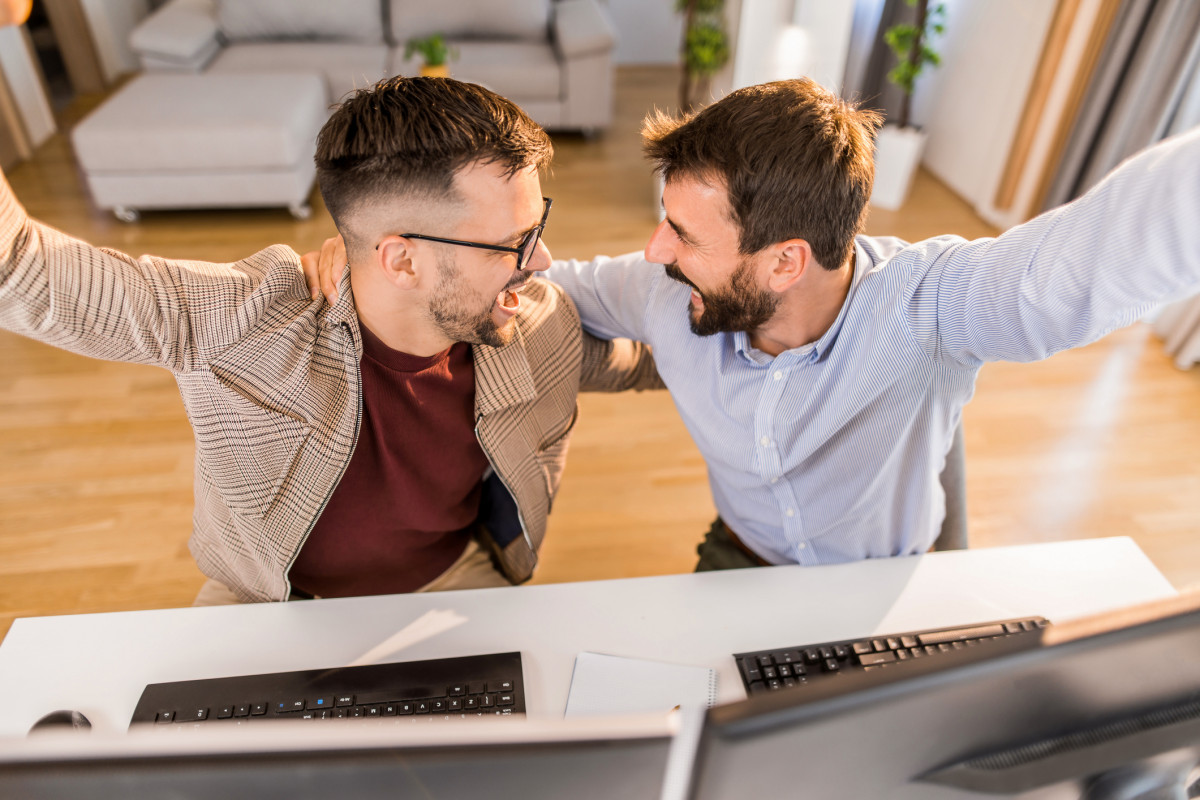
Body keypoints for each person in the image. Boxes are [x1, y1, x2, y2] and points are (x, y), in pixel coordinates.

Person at [308, 78, 1200, 573]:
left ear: (784, 261)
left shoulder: (931, 303)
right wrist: (375, 254)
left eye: (685, 235)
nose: (654, 249)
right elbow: (532, 282)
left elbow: (1081, 264)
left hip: (894, 576)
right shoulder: (663, 288)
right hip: (742, 556)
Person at [0, 75, 658, 605]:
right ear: (401, 260)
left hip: (453, 581)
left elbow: (648, 361)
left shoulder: (537, 326)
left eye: (537, 227)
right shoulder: (241, 320)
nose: (542, 261)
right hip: (268, 600)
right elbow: (20, 271)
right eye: (514, 243)